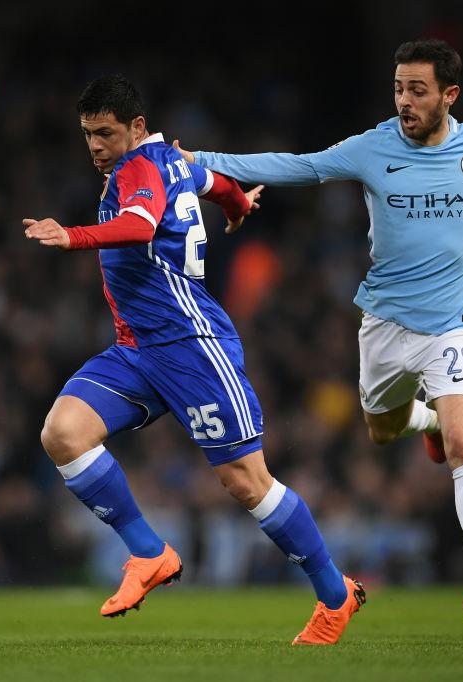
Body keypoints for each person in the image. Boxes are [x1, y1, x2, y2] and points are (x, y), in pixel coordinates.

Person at [176, 38, 463, 617]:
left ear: (450, 95)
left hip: (455, 325)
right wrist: (204, 161)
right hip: (386, 326)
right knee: (380, 427)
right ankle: (426, 421)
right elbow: (302, 166)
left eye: (417, 90)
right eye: (399, 88)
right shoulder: (374, 147)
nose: (404, 101)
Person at [22, 75, 364, 645]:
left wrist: (73, 237)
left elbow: (139, 226)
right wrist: (237, 204)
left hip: (191, 345)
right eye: (87, 135)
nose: (96, 146)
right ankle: (150, 555)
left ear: (135, 127)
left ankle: (335, 595)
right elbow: (216, 181)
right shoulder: (172, 160)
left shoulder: (138, 171)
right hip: (137, 349)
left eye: (105, 132)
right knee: (63, 433)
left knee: (245, 481)